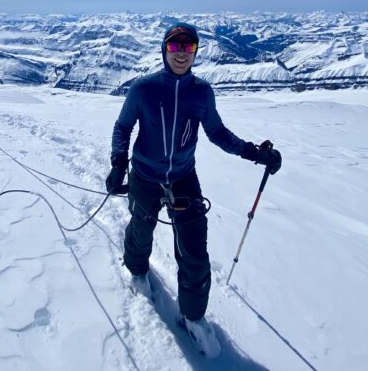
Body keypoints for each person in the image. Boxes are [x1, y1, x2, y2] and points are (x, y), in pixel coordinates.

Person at [106, 22, 281, 355]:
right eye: (175, 46)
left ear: (196, 51)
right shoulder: (144, 89)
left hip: (184, 177)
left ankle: (194, 316)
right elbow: (123, 125)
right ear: (164, 50)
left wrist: (253, 153)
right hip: (144, 174)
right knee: (141, 228)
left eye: (189, 47)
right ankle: (138, 270)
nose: (182, 53)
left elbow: (217, 133)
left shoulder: (201, 92)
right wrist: (118, 163)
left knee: (194, 248)